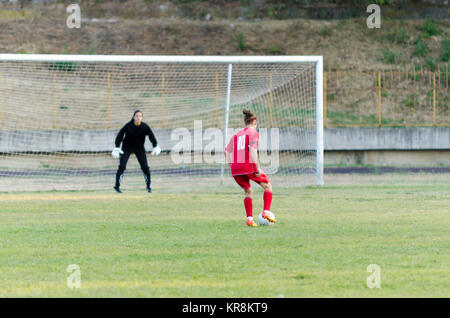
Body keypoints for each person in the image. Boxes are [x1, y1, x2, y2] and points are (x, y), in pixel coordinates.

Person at [225, 109, 275, 227]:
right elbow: (252, 150)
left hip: (235, 169)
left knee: (248, 191)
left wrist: (231, 166)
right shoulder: (253, 133)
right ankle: (266, 212)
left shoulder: (236, 135)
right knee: (267, 186)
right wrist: (257, 168)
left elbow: (227, 151)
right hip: (248, 165)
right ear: (255, 122)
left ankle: (249, 219)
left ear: (244, 122)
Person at [112, 110, 161, 193]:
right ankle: (117, 187)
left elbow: (151, 135)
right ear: (133, 117)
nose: (138, 117)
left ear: (142, 117)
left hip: (139, 148)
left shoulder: (145, 127)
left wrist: (155, 145)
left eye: (140, 116)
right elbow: (120, 134)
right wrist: (117, 146)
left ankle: (148, 187)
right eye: (136, 116)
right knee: (122, 166)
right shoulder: (128, 125)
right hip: (127, 147)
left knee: (145, 167)